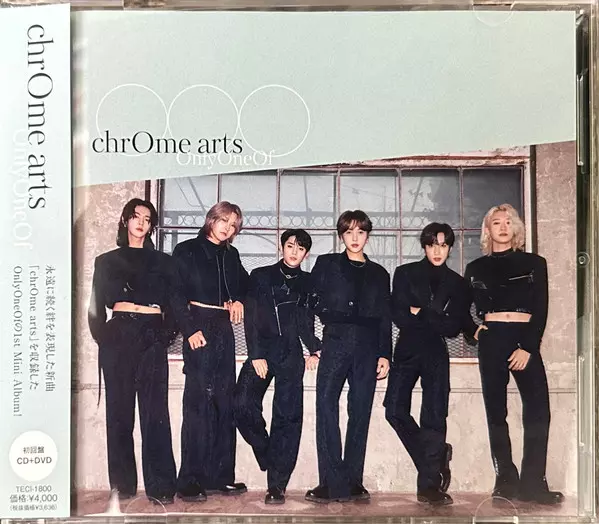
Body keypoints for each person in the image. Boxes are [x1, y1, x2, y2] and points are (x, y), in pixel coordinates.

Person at [88, 198, 205, 505]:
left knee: (155, 414)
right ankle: (123, 486)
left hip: (152, 334)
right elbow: (95, 306)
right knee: (119, 413)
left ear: (151, 226)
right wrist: (104, 337)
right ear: (125, 220)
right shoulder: (106, 261)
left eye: (147, 219)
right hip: (118, 336)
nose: (141, 222)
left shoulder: (165, 262)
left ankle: (161, 486)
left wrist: (164, 337)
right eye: (136, 216)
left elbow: (176, 302)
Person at [463, 203, 563, 505]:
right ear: (488, 229)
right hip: (492, 339)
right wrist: (474, 330)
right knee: (496, 412)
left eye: (509, 222)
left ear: (516, 228)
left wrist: (528, 347)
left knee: (538, 411)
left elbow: (541, 307)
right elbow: (459, 308)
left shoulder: (535, 263)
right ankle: (505, 480)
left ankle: (533, 485)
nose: (503, 227)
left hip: (524, 338)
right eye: (497, 222)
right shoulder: (475, 268)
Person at [305, 210, 391, 504]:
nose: (355, 238)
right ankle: (330, 482)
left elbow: (385, 316)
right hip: (335, 340)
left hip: (368, 345)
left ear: (367, 235)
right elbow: (309, 302)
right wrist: (314, 342)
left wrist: (385, 354)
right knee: (326, 405)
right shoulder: (327, 264)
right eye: (349, 232)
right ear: (341, 235)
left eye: (361, 232)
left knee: (360, 410)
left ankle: (353, 482)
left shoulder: (380, 273)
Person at [234, 229, 322, 505]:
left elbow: (306, 321)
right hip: (263, 350)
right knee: (241, 404)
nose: (294, 252)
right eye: (290, 246)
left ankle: (277, 486)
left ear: (306, 254)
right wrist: (256, 354)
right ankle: (267, 452)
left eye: (301, 249)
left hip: (291, 354)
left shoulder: (308, 282)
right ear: (281, 246)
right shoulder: (261, 276)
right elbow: (251, 317)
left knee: (287, 418)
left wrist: (315, 349)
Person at [384, 223, 469, 506]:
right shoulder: (405, 273)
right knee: (394, 410)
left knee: (433, 415)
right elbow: (399, 316)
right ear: (424, 246)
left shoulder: (457, 283)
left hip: (436, 351)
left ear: (449, 247)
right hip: (407, 348)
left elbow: (453, 327)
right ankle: (436, 458)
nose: (437, 251)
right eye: (432, 245)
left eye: (443, 245)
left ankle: (429, 487)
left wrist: (420, 312)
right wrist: (434, 316)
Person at [172, 201, 249, 502]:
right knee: (198, 405)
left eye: (233, 225)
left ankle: (220, 478)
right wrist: (190, 330)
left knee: (224, 403)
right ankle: (189, 480)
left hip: (223, 329)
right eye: (224, 221)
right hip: (198, 326)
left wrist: (239, 299)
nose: (227, 228)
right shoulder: (186, 250)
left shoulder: (232, 255)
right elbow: (175, 295)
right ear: (211, 219)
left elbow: (247, 285)